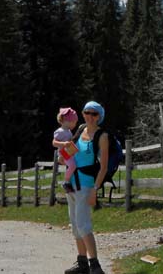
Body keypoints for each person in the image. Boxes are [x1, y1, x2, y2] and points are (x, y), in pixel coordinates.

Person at [63, 101, 109, 274]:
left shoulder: (101, 136)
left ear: (99, 116)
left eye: (94, 114)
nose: (90, 117)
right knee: (75, 225)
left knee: (83, 225)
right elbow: (70, 152)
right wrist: (64, 155)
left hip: (86, 185)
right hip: (71, 185)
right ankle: (82, 264)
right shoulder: (81, 129)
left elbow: (103, 167)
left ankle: (95, 266)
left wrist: (95, 190)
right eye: (86, 113)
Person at [52, 107, 79, 188]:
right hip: (63, 152)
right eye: (74, 122)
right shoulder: (60, 131)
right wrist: (63, 144)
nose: (75, 124)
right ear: (67, 121)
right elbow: (54, 143)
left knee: (74, 164)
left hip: (67, 151)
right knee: (73, 165)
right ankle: (66, 181)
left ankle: (61, 161)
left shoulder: (68, 131)